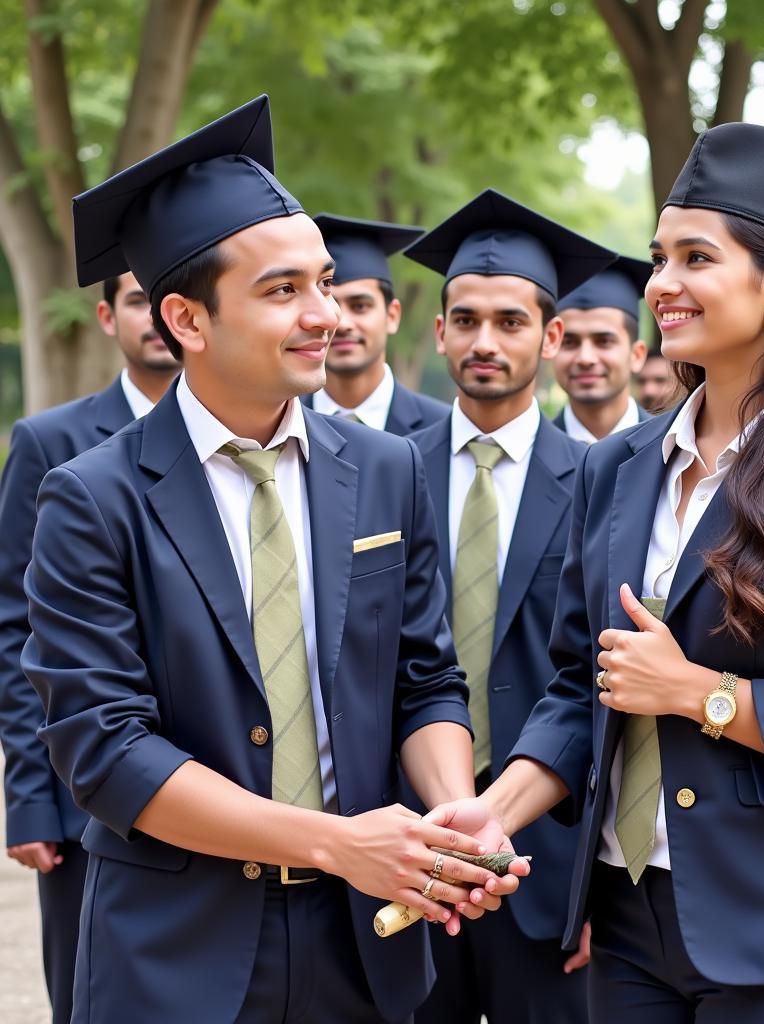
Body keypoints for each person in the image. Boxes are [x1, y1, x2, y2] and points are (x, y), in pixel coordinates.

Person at [425, 123, 764, 1023]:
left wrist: (701, 693)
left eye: (695, 258)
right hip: (627, 925)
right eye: (658, 257)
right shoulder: (616, 468)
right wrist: (495, 812)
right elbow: (578, 685)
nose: (661, 285)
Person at [21, 96, 523, 1024]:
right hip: (175, 951)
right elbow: (108, 750)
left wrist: (454, 812)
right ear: (187, 318)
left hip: (364, 945)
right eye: (283, 291)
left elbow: (423, 678)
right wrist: (337, 842)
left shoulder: (384, 467)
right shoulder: (93, 497)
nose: (325, 316)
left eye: (326, 283)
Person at [403, 187, 615, 1024]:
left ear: (551, 336)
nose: (484, 341)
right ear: (439, 331)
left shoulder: (609, 479)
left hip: (552, 863)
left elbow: (608, 682)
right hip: (405, 845)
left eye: (510, 321)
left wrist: (606, 886)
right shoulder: (381, 475)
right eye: (465, 319)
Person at [0, 269, 178, 1024]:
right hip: (87, 797)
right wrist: (31, 798)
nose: (156, 319)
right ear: (107, 316)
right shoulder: (53, 442)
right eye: (137, 301)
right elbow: (16, 622)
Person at [303, 214, 448, 433]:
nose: (343, 324)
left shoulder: (443, 429)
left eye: (360, 306)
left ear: (392, 316)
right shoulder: (280, 424)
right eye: (330, 303)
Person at [552, 256, 650, 442]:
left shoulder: (671, 452)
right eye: (569, 342)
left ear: (636, 355)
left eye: (603, 341)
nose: (585, 358)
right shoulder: (529, 454)